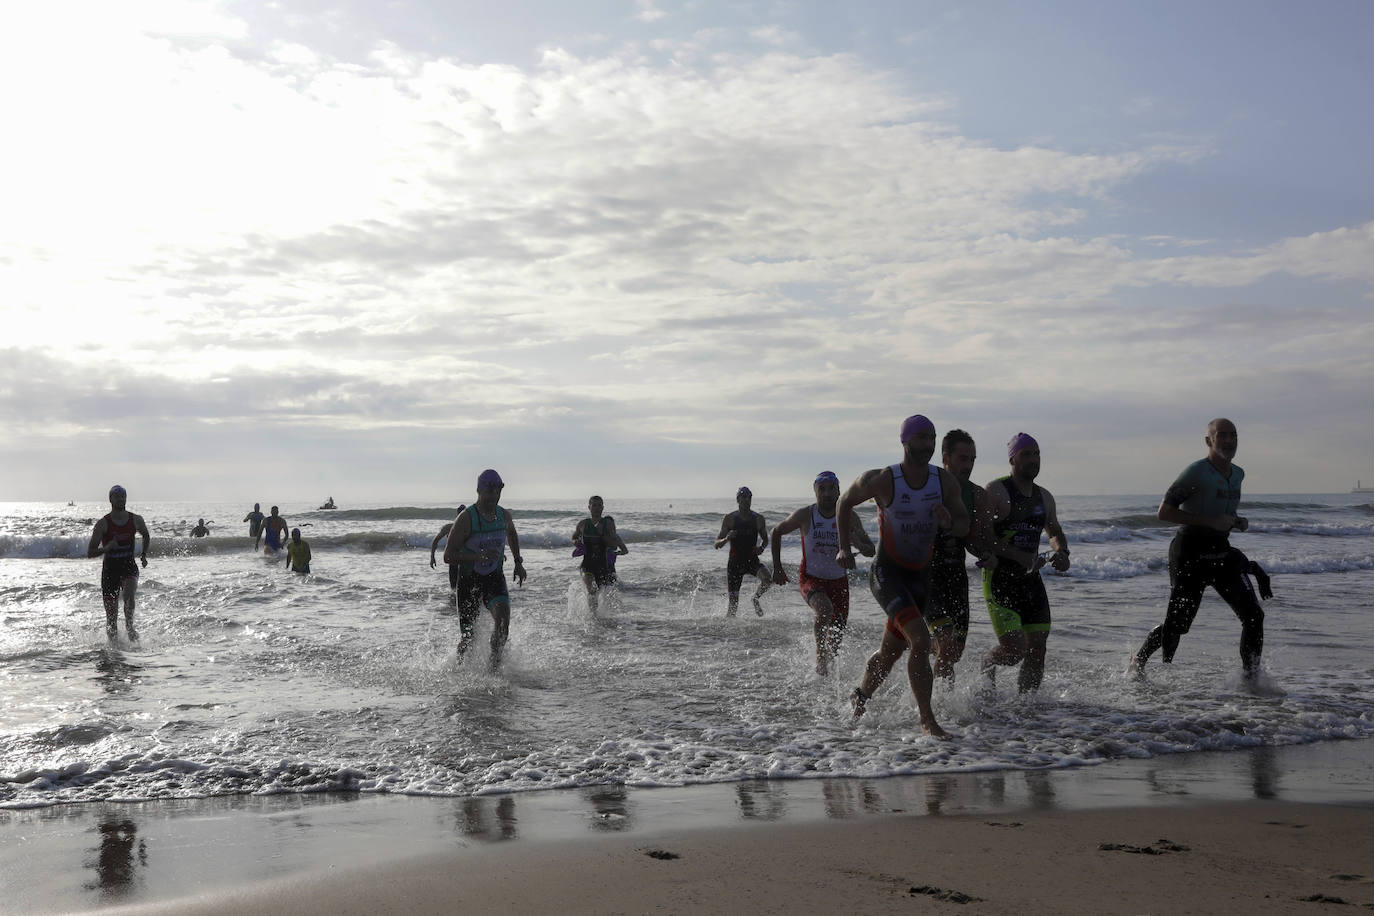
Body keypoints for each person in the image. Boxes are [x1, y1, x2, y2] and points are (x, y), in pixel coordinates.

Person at [838, 415, 968, 739]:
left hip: (920, 578)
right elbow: (843, 503)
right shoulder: (883, 480)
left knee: (891, 652)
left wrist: (948, 521)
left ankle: (860, 696)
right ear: (905, 440)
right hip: (887, 573)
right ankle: (927, 721)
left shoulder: (945, 483)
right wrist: (843, 548)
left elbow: (964, 524)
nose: (927, 444)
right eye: (921, 437)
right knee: (921, 640)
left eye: (932, 438)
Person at [1130, 418, 1270, 680]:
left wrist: (1236, 520)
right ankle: (1138, 659)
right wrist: (1210, 521)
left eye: (1233, 436)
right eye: (1222, 436)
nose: (1228, 441)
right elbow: (1164, 512)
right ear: (1209, 440)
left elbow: (1220, 509)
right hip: (1189, 554)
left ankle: (1252, 679)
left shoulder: (1238, 473)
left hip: (1220, 552)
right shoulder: (1196, 472)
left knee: (1253, 617)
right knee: (1179, 625)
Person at [979, 433, 1071, 693]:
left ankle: (1027, 710)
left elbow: (1053, 531)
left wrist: (1062, 551)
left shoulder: (1044, 497)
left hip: (1030, 581)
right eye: (1026, 454)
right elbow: (981, 534)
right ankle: (987, 661)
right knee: (1014, 650)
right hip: (999, 579)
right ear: (1012, 458)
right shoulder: (996, 490)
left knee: (1038, 647)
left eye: (1037, 454)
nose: (1033, 459)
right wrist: (1017, 555)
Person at [771, 471, 876, 675]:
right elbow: (776, 531)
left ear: (838, 491)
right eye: (822, 489)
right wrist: (777, 568)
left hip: (839, 582)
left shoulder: (849, 516)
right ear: (815, 491)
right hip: (811, 578)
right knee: (824, 610)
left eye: (832, 489)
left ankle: (823, 682)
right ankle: (819, 654)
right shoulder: (806, 515)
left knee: (834, 648)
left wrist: (857, 542)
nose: (827, 493)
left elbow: (871, 550)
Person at [928, 430, 997, 681]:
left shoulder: (977, 495)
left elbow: (975, 540)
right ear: (945, 457)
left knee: (954, 652)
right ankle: (939, 707)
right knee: (946, 644)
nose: (968, 465)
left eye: (972, 460)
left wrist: (987, 554)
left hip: (955, 576)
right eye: (962, 458)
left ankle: (918, 642)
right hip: (926, 576)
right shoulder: (926, 485)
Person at [443, 470, 527, 669]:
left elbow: (512, 535)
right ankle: (458, 669)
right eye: (489, 492)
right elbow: (448, 556)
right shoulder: (466, 518)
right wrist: (476, 556)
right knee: (468, 637)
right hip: (468, 581)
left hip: (494, 578)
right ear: (479, 490)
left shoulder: (503, 515)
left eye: (497, 492)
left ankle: (493, 669)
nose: (493, 497)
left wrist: (517, 562)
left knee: (503, 623)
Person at [86, 485, 151, 641]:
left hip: (128, 565)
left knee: (129, 593)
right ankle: (114, 651)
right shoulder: (103, 524)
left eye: (123, 496)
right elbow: (90, 552)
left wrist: (143, 554)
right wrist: (106, 548)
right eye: (117, 496)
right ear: (110, 499)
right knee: (111, 619)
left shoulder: (136, 519)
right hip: (110, 570)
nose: (121, 499)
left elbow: (146, 535)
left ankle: (130, 627)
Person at [714, 486, 772, 616]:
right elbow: (716, 544)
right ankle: (729, 634)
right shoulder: (729, 519)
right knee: (733, 607)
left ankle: (755, 598)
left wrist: (761, 548)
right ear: (738, 499)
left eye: (749, 497)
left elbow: (765, 540)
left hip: (752, 560)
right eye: (744, 497)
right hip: (734, 564)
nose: (747, 500)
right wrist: (727, 539)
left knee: (768, 579)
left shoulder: (758, 519)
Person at [572, 496, 629, 615]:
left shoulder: (607, 524)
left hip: (603, 565)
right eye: (594, 505)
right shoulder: (583, 524)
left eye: (599, 505)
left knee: (601, 594)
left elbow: (613, 545)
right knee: (591, 591)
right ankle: (593, 618)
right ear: (589, 507)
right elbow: (574, 537)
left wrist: (602, 535)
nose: (597, 508)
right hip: (587, 564)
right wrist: (575, 542)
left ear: (603, 507)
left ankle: (602, 616)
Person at [429, 505, 468, 593]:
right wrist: (432, 557)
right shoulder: (449, 527)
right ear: (457, 514)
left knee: (465, 587)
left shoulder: (471, 527)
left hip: (467, 560)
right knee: (454, 589)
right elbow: (435, 541)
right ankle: (453, 604)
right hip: (454, 559)